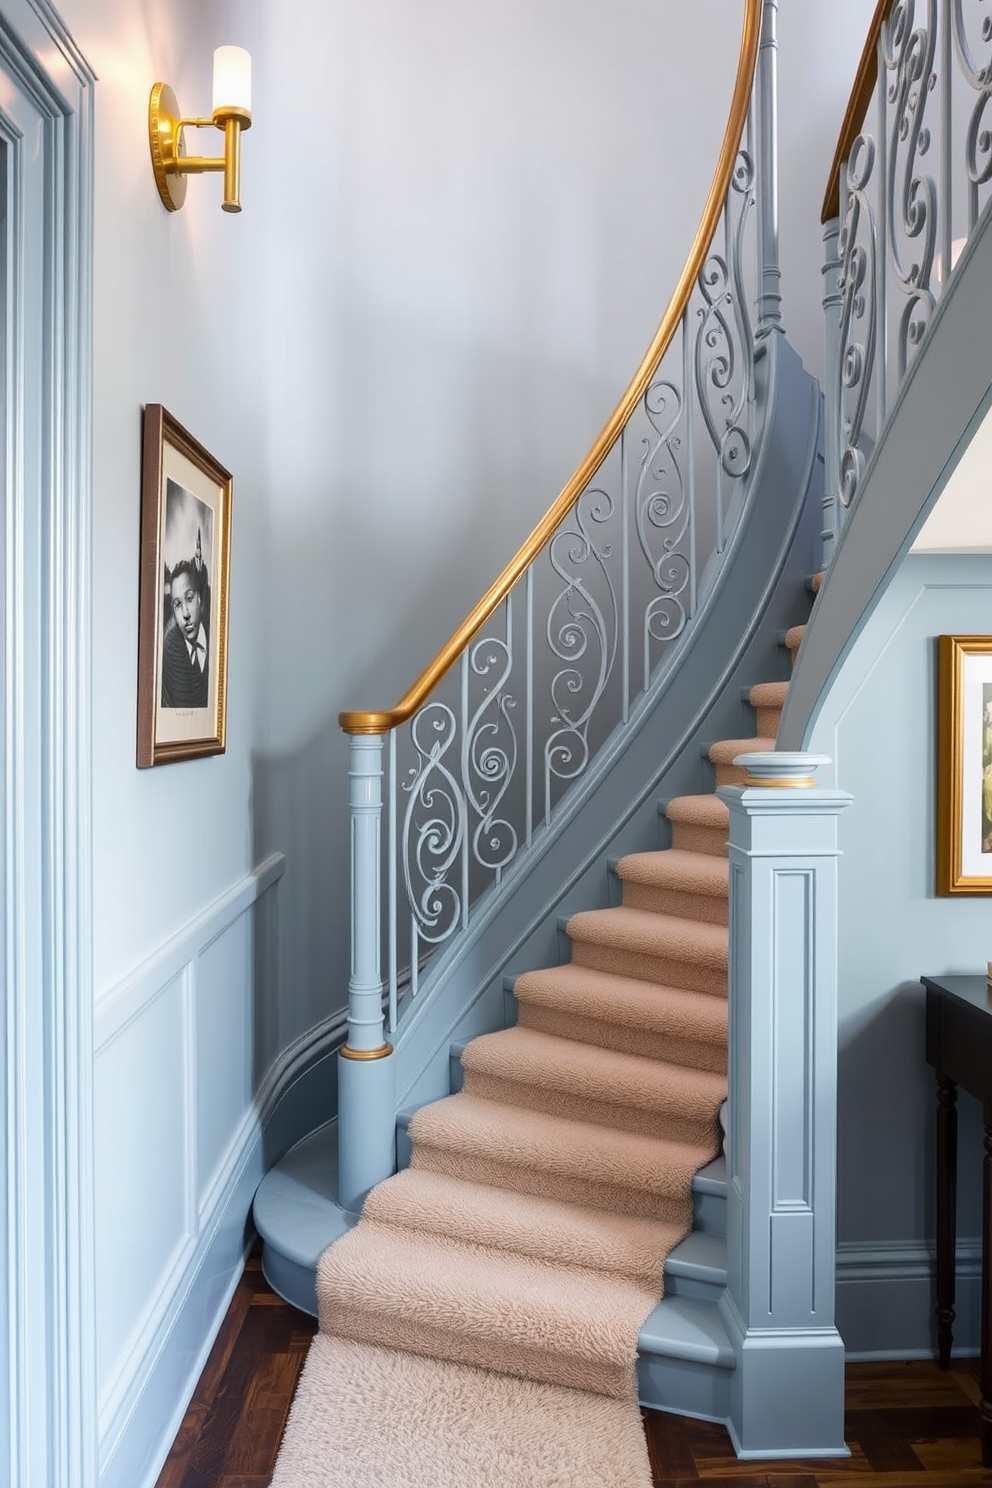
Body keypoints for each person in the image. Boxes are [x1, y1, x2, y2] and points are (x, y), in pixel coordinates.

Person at [161, 559, 209, 708]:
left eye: (189, 598)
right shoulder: (168, 649)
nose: (185, 613)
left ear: (200, 599)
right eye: (178, 604)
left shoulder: (216, 634)